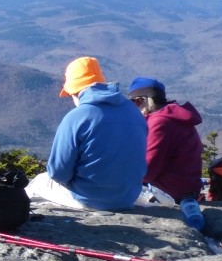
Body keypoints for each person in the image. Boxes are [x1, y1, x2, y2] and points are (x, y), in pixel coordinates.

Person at [27, 56, 147, 210]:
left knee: (39, 181)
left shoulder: (77, 116)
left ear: (75, 91)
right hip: (128, 197)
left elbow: (58, 173)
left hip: (88, 199)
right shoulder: (133, 111)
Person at [127, 76, 204, 206]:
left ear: (144, 100)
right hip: (186, 190)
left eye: (135, 102)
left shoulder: (160, 123)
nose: (133, 108)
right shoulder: (174, 117)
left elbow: (147, 172)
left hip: (170, 194)